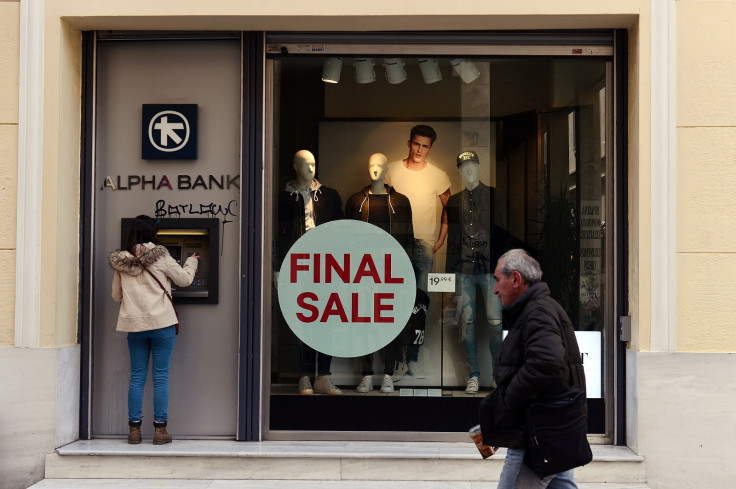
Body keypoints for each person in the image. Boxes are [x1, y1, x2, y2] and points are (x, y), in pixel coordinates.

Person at [489, 249, 586, 489]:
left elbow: (546, 362)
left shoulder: (537, 312)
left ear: (515, 279)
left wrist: (509, 400)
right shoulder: (538, 309)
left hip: (534, 435)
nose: (495, 289)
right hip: (550, 429)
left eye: (497, 280)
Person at [110, 215, 199, 445]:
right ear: (152, 234)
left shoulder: (122, 262)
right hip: (162, 325)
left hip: (135, 326)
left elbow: (116, 296)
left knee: (137, 377)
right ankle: (160, 430)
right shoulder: (161, 256)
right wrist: (192, 261)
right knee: (160, 377)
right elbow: (184, 280)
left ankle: (134, 431)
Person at [345, 153, 415, 393]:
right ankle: (366, 374)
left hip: (391, 270)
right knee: (364, 320)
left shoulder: (401, 201)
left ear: (386, 169)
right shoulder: (355, 201)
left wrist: (408, 272)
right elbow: (345, 237)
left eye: (379, 166)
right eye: (371, 165)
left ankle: (387, 373)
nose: (374, 170)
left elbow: (408, 239)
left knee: (390, 323)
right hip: (362, 271)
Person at [276, 149, 344, 396]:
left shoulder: (330, 196)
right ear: (295, 166)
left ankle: (323, 375)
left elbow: (342, 232)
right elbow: (276, 236)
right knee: (302, 320)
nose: (311, 168)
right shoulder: (283, 198)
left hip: (327, 265)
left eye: (314, 163)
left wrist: (343, 268)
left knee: (326, 318)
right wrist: (277, 269)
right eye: (305, 164)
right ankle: (304, 375)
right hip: (298, 265)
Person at [386, 124, 451, 379]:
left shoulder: (438, 175)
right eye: (416, 144)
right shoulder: (391, 169)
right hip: (397, 242)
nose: (419, 150)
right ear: (409, 143)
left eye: (425, 146)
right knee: (395, 300)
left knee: (420, 302)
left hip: (424, 243)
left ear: (430, 148)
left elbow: (451, 209)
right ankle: (398, 360)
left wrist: (440, 239)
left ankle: (413, 359)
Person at [445, 151, 503, 394]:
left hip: (490, 270)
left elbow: (501, 232)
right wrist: (450, 276)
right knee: (466, 324)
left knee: (495, 322)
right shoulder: (454, 201)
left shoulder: (492, 196)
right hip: (463, 270)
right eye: (463, 166)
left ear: (479, 167)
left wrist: (504, 269)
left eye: (471, 165)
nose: (468, 170)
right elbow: (452, 239)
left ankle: (499, 375)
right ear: (459, 170)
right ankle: (474, 374)